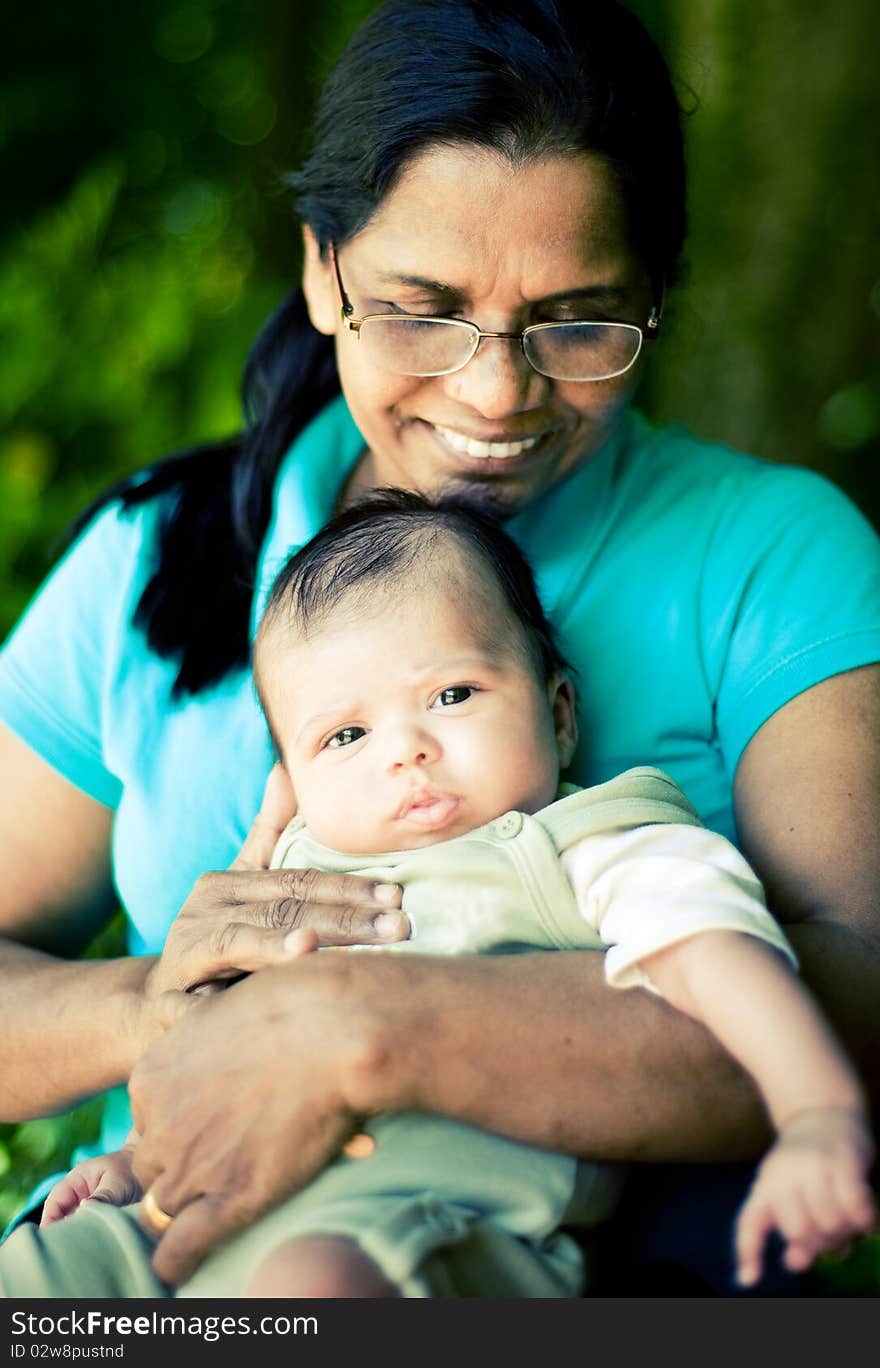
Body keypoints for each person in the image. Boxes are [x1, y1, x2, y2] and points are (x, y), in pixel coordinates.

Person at [0, 0, 878, 1298]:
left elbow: (861, 994)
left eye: (579, 322)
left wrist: (370, 1026)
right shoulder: (156, 554)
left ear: (657, 295)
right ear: (320, 271)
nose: (495, 395)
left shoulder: (771, 555)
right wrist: (172, 1014)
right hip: (152, 1237)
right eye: (422, 312)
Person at [8, 493, 874, 1299]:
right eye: (346, 734)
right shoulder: (289, 879)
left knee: (315, 1286)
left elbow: (725, 956)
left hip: (417, 1231)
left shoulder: (594, 842)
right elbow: (213, 1056)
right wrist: (131, 1162)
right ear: (293, 781)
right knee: (40, 1271)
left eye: (452, 695)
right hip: (185, 1213)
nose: (405, 751)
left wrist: (815, 1114)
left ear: (560, 712)